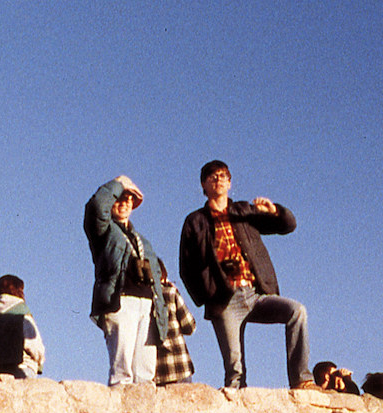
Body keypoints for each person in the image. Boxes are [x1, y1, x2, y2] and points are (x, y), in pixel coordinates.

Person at [178, 160, 311, 389]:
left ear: (230, 183)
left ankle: (301, 379)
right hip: (224, 299)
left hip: (255, 293)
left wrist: (275, 211)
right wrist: (208, 295)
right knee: (235, 371)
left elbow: (287, 226)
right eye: (212, 177)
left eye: (222, 176)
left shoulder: (243, 211)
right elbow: (186, 267)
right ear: (203, 184)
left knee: (297, 311)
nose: (218, 180)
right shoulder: (195, 221)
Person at [85, 176, 169, 385]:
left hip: (147, 304)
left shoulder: (143, 240)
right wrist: (118, 183)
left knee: (146, 372)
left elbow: (157, 275)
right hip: (121, 300)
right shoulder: (103, 231)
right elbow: (96, 207)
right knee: (122, 370)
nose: (123, 203)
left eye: (128, 200)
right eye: (119, 199)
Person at [0, 274, 44, 379]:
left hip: (0, 371)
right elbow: (34, 345)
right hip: (24, 367)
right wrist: (39, 360)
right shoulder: (21, 313)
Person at [155, 261, 197, 386]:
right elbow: (190, 326)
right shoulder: (170, 293)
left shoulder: (143, 298)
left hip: (157, 371)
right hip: (180, 367)